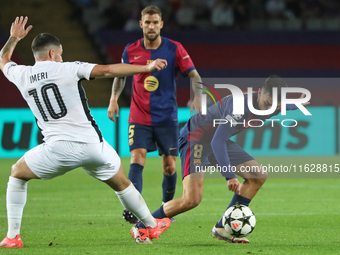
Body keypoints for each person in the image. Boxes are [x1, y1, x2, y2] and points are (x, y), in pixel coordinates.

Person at [0, 16, 171, 247]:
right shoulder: (69, 68)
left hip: (57, 150)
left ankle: (12, 237)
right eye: (60, 53)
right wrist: (146, 67)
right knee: (122, 183)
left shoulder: (22, 74)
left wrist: (13, 38)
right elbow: (110, 69)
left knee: (17, 174)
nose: (61, 57)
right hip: (93, 146)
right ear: (52, 54)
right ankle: (150, 225)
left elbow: (3, 60)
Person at [132, 75, 309, 243]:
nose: (268, 108)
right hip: (197, 138)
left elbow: (286, 105)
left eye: (274, 105)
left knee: (258, 175)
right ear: (260, 92)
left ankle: (223, 227)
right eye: (267, 103)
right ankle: (142, 226)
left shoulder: (275, 104)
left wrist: (298, 103)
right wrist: (229, 175)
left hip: (216, 138)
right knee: (191, 200)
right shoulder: (240, 106)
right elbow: (218, 141)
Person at [107, 5, 202, 223]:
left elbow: (194, 76)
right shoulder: (130, 50)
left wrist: (196, 97)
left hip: (167, 118)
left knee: (169, 165)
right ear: (141, 24)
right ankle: (133, 208)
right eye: (147, 22)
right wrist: (113, 99)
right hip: (139, 115)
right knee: (137, 157)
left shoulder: (175, 48)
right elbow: (120, 76)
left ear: (161, 24)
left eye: (155, 22)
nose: (151, 26)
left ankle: (166, 210)